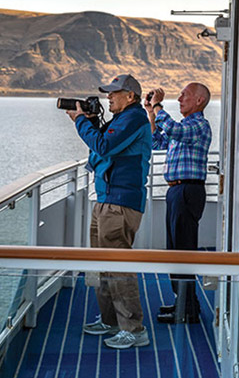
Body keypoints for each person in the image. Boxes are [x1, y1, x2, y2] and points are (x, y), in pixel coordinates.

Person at [65, 74, 152, 349]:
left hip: (121, 202)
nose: (108, 97)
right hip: (106, 199)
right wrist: (91, 122)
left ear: (131, 96)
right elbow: (103, 145)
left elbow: (103, 146)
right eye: (108, 93)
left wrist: (79, 122)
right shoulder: (120, 119)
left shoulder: (135, 118)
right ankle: (111, 320)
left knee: (118, 266)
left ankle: (134, 329)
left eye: (114, 93)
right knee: (103, 263)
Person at [146, 82, 212, 324]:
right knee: (175, 251)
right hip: (177, 191)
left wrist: (158, 105)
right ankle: (183, 304)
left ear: (199, 101)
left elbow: (173, 131)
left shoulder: (199, 125)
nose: (179, 98)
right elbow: (156, 142)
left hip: (187, 190)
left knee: (183, 251)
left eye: (185, 95)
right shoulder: (184, 126)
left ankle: (187, 309)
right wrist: (151, 113)